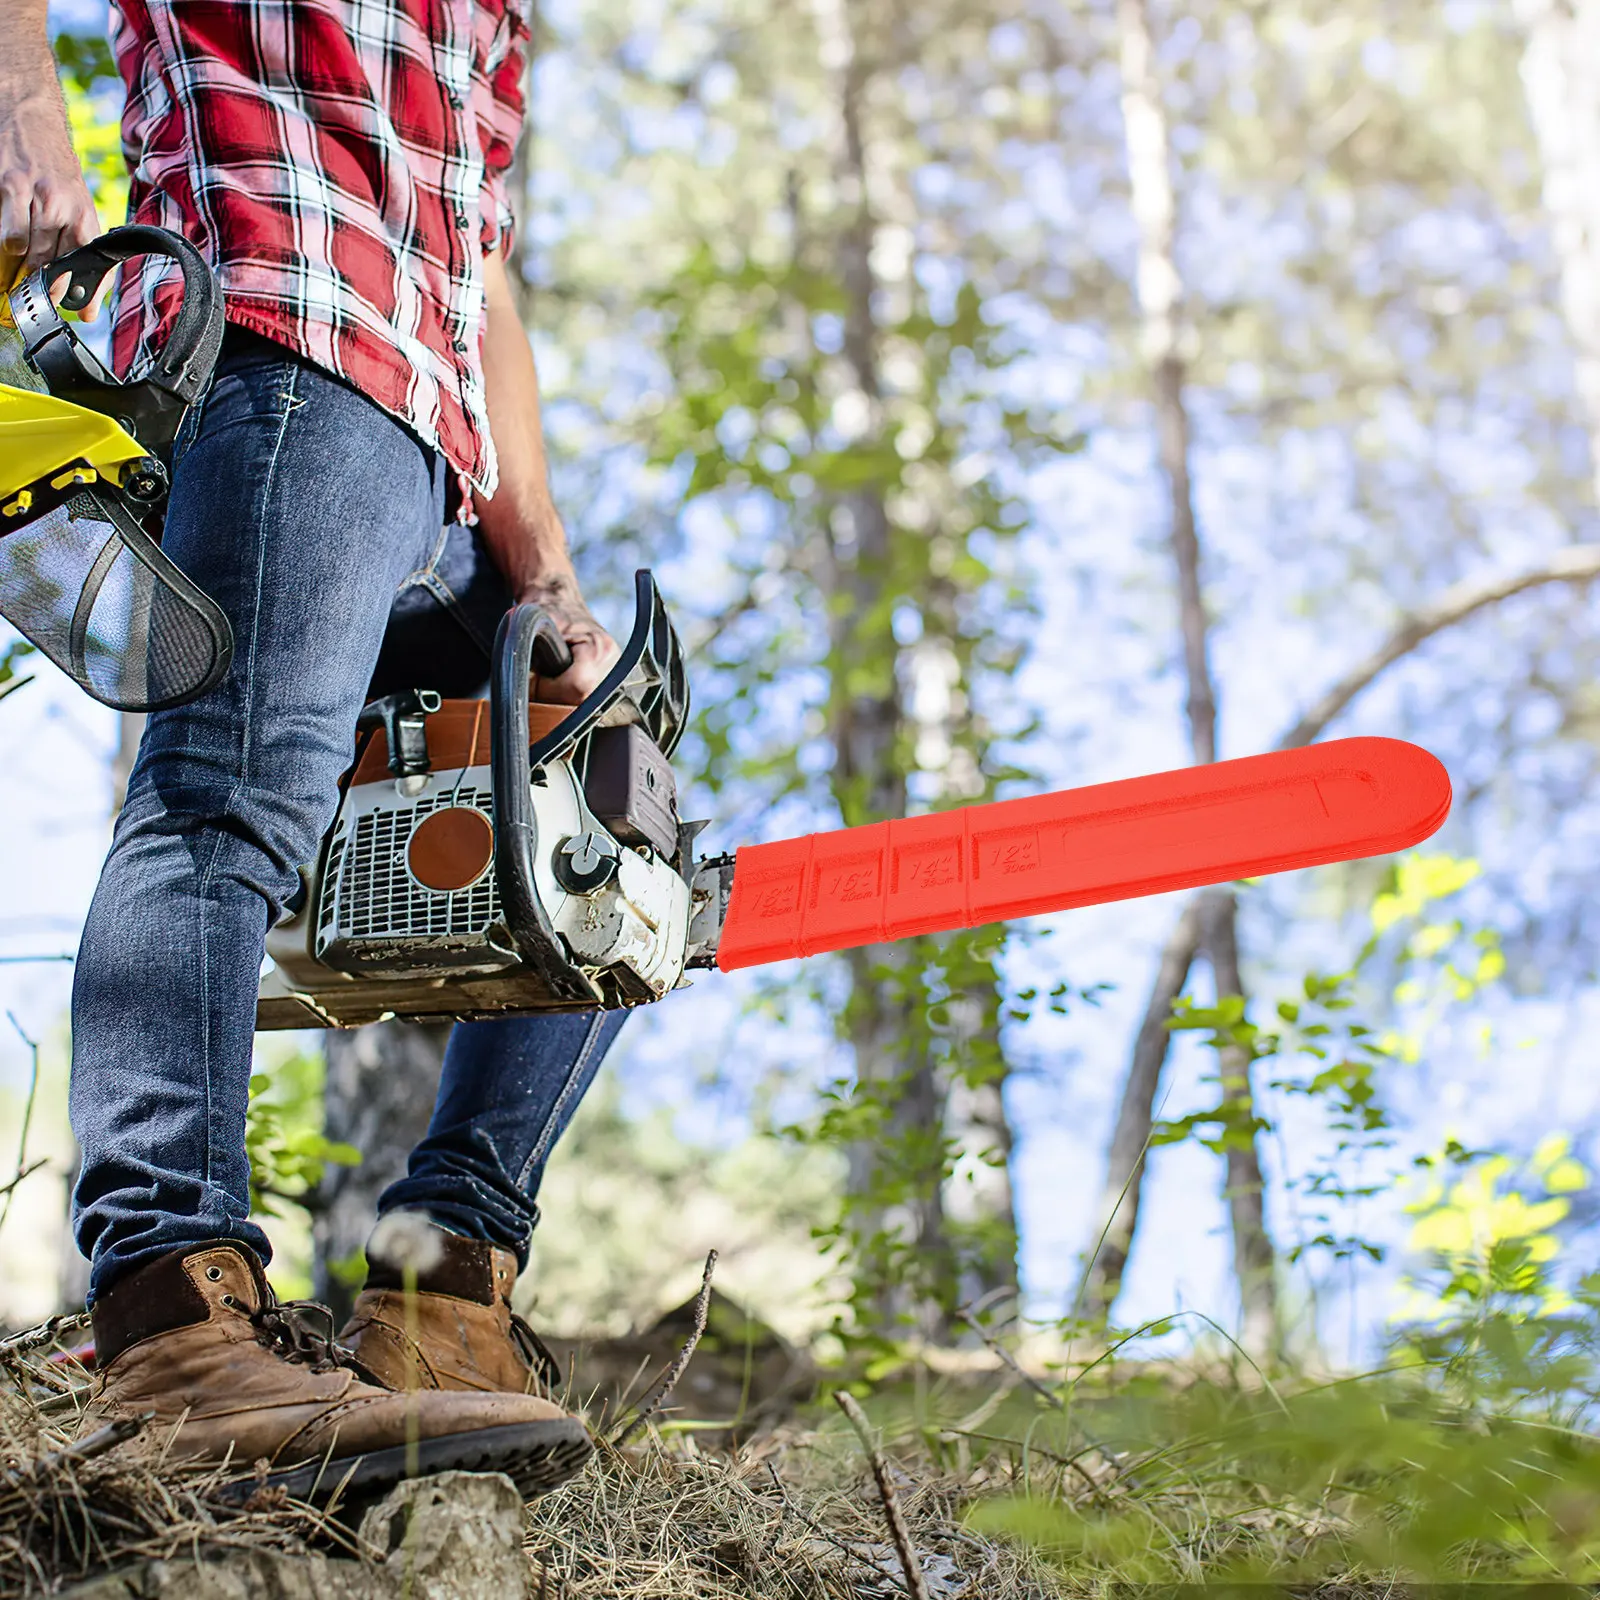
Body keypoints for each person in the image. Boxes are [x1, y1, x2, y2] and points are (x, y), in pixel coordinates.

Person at [1, 0, 627, 1499]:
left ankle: (441, 1297)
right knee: (220, 804)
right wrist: (21, 107)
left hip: (433, 435)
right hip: (276, 329)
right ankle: (170, 1320)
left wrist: (544, 573)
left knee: (603, 816)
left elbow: (479, 268)